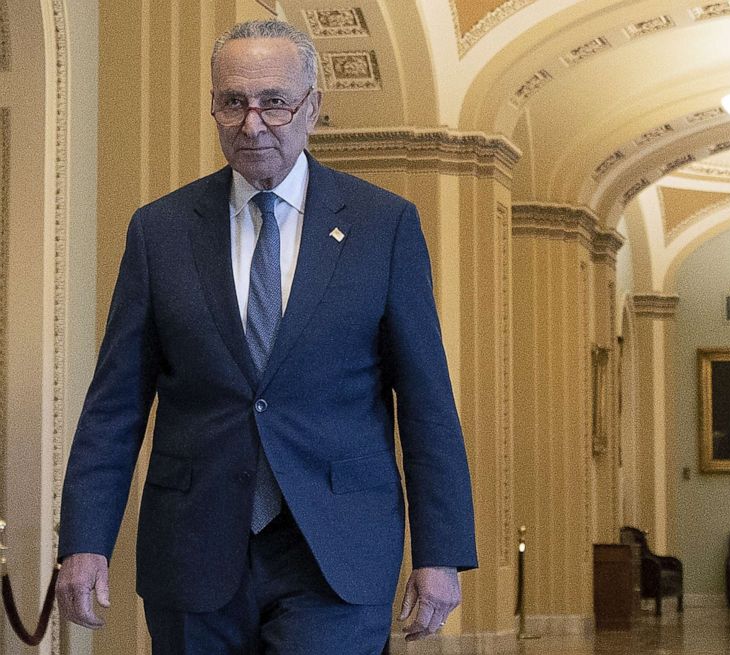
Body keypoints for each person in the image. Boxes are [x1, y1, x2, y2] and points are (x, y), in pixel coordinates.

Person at [55, 19, 476, 654]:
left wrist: (439, 554)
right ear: (215, 108)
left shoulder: (382, 226)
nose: (253, 123)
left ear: (313, 108)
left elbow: (426, 404)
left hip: (336, 548)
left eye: (274, 102)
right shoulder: (160, 231)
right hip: (194, 544)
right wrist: (85, 541)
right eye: (233, 102)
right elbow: (115, 403)